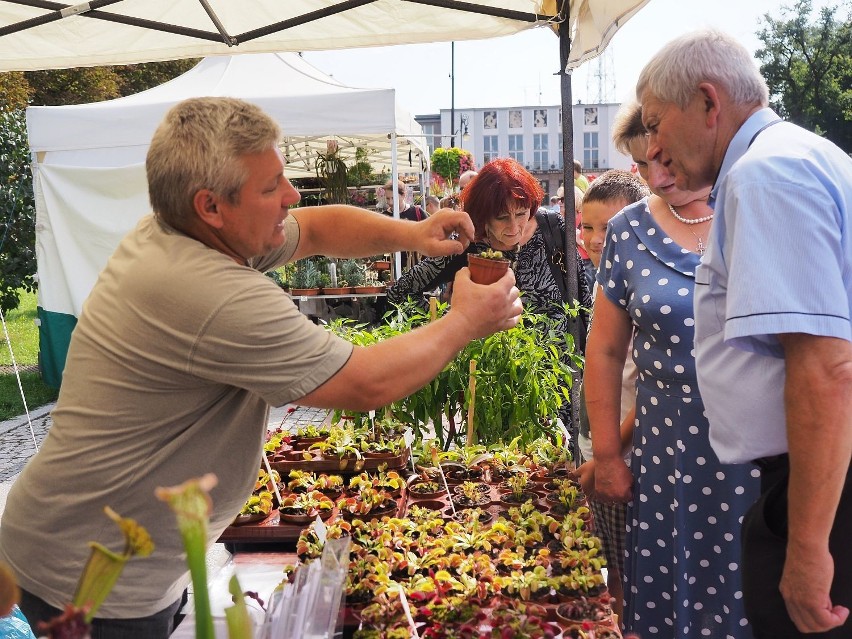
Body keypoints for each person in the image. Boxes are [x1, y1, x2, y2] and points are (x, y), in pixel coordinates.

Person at [0, 97, 523, 638]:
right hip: (87, 579)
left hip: (108, 556)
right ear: (211, 206)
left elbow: (315, 229)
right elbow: (366, 382)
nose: (291, 196)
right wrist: (464, 321)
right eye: (272, 186)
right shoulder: (210, 291)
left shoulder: (181, 233)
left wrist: (412, 235)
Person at [637, 30, 852, 638]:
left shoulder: (766, 175)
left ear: (709, 102)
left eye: (656, 124)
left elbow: (825, 368)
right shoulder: (791, 158)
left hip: (823, 484)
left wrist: (809, 548)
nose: (653, 149)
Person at [587, 98, 761, 638]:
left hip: (760, 453)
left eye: (665, 157)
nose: (657, 174)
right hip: (669, 454)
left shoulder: (752, 205)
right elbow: (606, 351)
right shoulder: (627, 231)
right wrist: (609, 456)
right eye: (641, 164)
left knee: (755, 589)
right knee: (671, 597)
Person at [387, 157, 591, 437]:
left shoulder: (554, 229)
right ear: (483, 216)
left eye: (522, 214)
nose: (515, 227)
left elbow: (584, 300)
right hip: (494, 385)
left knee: (557, 468)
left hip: (558, 384)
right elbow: (401, 293)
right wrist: (451, 324)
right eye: (502, 217)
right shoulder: (466, 244)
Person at [572, 169, 648, 623]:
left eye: (609, 226)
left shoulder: (641, 286)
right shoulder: (606, 278)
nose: (598, 238)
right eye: (588, 226)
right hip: (605, 445)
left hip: (629, 452)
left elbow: (654, 390)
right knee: (614, 569)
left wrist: (609, 454)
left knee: (632, 571)